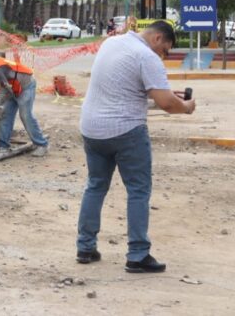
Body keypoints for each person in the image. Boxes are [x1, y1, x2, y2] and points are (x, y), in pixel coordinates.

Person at [76, 20, 195, 273]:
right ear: (157, 39)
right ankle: (138, 254)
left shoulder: (112, 43)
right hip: (126, 131)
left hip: (92, 129)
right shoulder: (146, 56)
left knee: (96, 185)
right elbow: (167, 104)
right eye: (164, 50)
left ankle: (85, 247)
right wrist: (185, 107)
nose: (162, 56)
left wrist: (164, 92)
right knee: (138, 190)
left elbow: (126, 87)